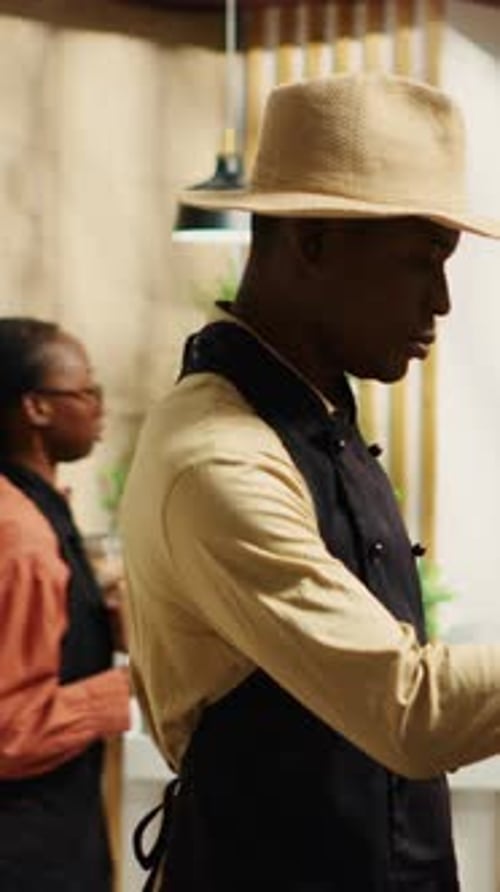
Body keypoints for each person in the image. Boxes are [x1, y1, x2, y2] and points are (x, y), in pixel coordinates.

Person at [120, 73, 500, 892]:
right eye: (420, 261)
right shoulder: (217, 456)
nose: (438, 301)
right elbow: (405, 708)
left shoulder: (311, 419)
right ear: (314, 243)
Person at [0, 318, 131, 892]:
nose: (100, 408)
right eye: (86, 392)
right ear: (36, 408)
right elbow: (10, 730)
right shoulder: (19, 534)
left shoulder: (32, 513)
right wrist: (134, 684)